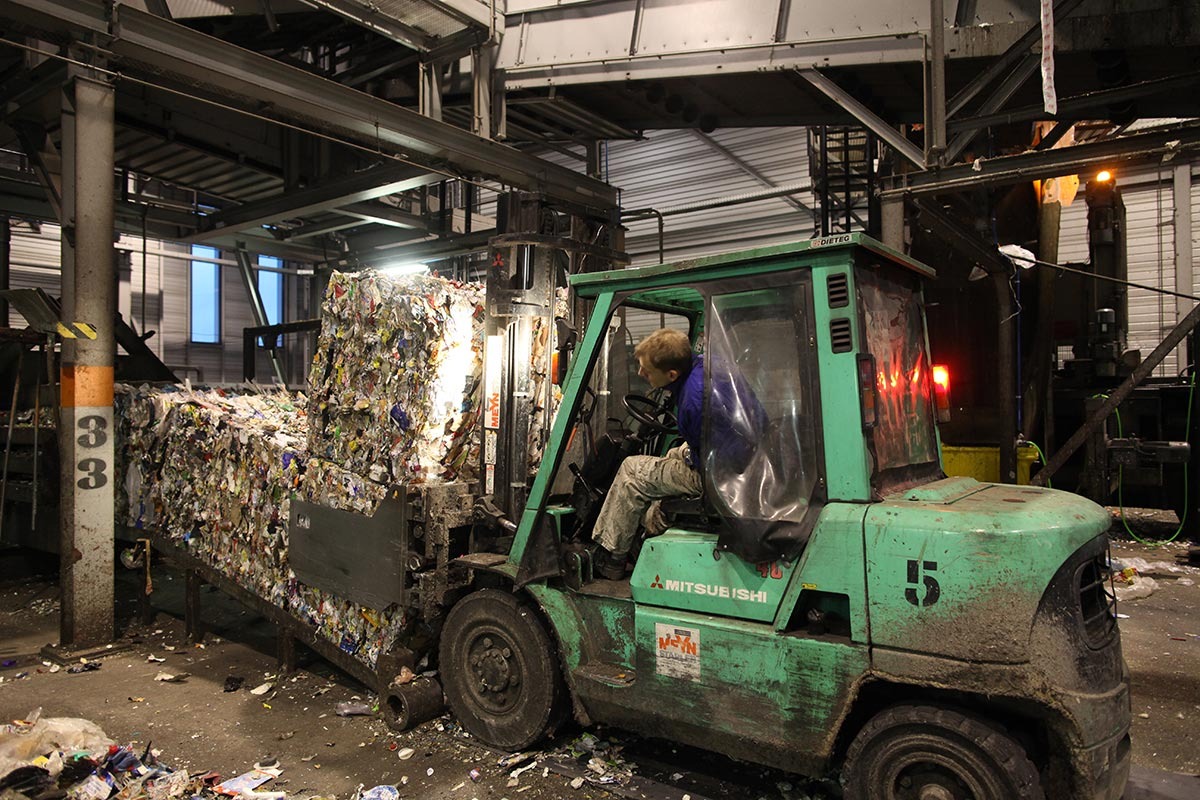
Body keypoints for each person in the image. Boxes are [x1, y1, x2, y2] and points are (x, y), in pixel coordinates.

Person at [591, 328, 705, 580]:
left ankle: (612, 556)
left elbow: (703, 457)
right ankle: (646, 526)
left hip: (714, 475)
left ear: (672, 374)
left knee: (632, 470)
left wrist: (689, 458)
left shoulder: (693, 403)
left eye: (647, 370)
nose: (641, 374)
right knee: (674, 452)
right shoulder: (700, 367)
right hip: (735, 462)